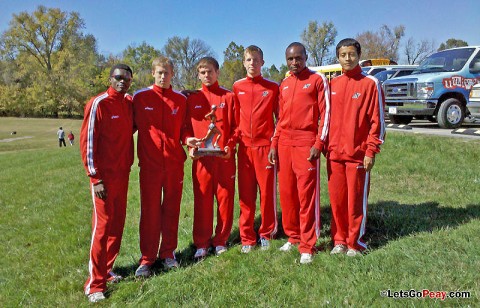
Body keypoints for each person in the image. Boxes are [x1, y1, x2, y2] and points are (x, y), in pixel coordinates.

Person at [268, 42, 330, 264]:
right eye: (290, 59)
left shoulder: (316, 80)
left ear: (306, 57)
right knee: (287, 193)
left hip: (306, 143)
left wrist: (319, 142)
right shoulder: (284, 84)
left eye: (298, 58)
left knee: (306, 194)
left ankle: (308, 244)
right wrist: (274, 143)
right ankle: (293, 236)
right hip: (284, 143)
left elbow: (325, 114)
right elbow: (280, 119)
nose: (294, 63)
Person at [80, 64, 134, 303]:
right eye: (118, 77)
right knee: (101, 228)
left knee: (117, 225)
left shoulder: (128, 103)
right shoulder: (98, 103)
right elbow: (88, 141)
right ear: (111, 79)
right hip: (103, 178)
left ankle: (107, 270)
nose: (122, 82)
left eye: (127, 79)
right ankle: (94, 284)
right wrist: (95, 177)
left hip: (123, 174)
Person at [327, 38, 385, 257]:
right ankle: (339, 241)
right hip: (334, 155)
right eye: (343, 55)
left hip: (358, 156)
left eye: (351, 54)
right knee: (337, 201)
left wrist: (371, 150)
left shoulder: (371, 84)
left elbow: (377, 122)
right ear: (338, 58)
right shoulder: (332, 85)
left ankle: (355, 242)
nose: (347, 59)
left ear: (358, 55)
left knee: (356, 200)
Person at [132, 57, 187, 277]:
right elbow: (128, 125)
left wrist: (187, 139)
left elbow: (184, 128)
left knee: (171, 210)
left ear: (173, 74)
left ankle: (168, 254)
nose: (163, 76)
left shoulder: (180, 100)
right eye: (159, 73)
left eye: (167, 72)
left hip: (174, 164)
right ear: (153, 74)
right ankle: (147, 259)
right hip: (150, 166)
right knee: (150, 212)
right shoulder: (140, 97)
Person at [184, 56, 239, 260]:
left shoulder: (229, 97)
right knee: (203, 201)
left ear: (218, 72)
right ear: (198, 74)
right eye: (202, 72)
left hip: (224, 158)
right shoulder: (192, 98)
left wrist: (230, 146)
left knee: (225, 200)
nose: (207, 75)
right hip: (202, 160)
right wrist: (189, 142)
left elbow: (236, 126)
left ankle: (221, 240)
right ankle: (202, 242)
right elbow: (185, 127)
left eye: (210, 71)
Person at [232, 45, 279, 253]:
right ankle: (246, 237)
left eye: (256, 60)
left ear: (263, 62)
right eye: (249, 60)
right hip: (244, 149)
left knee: (267, 193)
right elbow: (233, 118)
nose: (253, 64)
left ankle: (266, 233)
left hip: (265, 148)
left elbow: (280, 119)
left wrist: (274, 144)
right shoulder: (237, 87)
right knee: (246, 194)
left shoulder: (272, 87)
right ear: (244, 62)